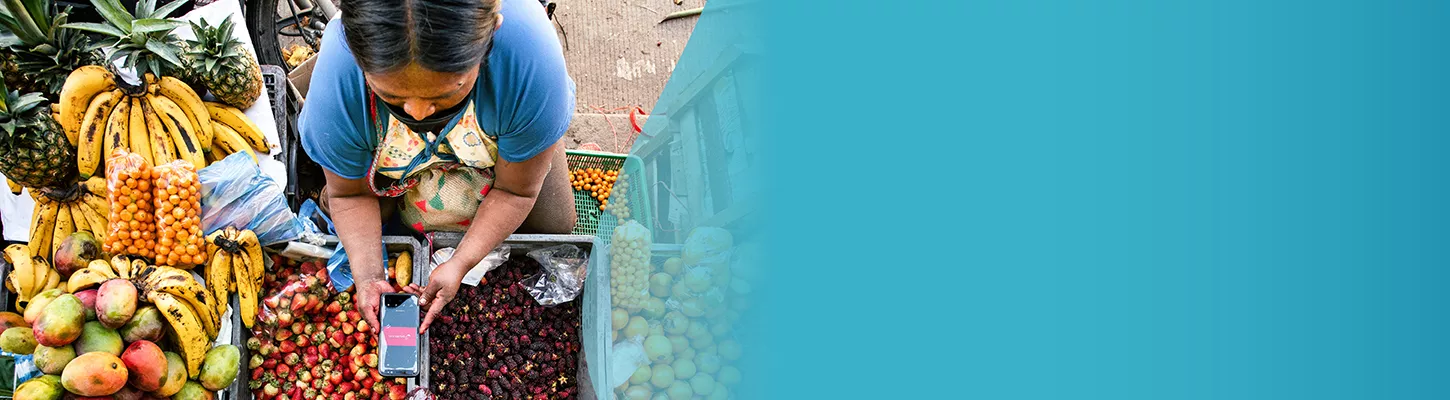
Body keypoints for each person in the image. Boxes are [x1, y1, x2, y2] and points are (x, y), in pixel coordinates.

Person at [299, 0, 577, 334]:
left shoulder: (529, 61)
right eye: (392, 95)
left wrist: (460, 262)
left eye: (446, 93)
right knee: (361, 213)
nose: (417, 114)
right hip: (394, 160)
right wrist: (369, 275)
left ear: (491, 36)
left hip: (493, 144)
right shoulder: (339, 78)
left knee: (554, 223)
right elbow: (351, 195)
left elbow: (515, 191)